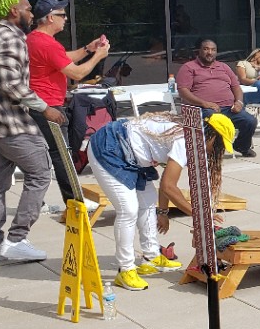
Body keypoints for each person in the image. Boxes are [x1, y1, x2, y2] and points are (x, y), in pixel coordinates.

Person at [86, 113, 232, 290]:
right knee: (128, 210)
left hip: (131, 153)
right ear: (212, 136)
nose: (216, 152)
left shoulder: (192, 135)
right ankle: (125, 270)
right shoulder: (185, 140)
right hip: (109, 148)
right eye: (219, 147)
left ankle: (151, 257)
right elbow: (169, 186)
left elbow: (166, 182)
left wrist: (163, 212)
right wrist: (201, 216)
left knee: (147, 202)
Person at [0, 0, 62, 264]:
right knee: (41, 173)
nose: (31, 14)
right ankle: (17, 239)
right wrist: (45, 108)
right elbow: (12, 84)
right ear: (14, 11)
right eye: (27, 8)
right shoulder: (11, 38)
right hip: (11, 123)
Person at [26, 0, 110, 206]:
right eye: (62, 15)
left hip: (38, 104)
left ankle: (42, 202)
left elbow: (61, 58)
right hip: (49, 106)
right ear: (49, 18)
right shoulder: (47, 44)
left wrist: (88, 49)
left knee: (42, 156)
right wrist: (98, 56)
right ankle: (74, 203)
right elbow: (78, 73)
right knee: (62, 155)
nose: (66, 19)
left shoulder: (35, 39)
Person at [176, 39, 258, 157]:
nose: (210, 52)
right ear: (198, 51)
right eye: (206, 49)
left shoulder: (223, 67)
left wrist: (239, 102)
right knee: (214, 119)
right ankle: (210, 151)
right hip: (202, 109)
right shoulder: (189, 67)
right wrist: (204, 103)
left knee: (250, 121)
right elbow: (183, 91)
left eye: (213, 50)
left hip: (229, 108)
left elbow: (236, 87)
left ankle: (241, 146)